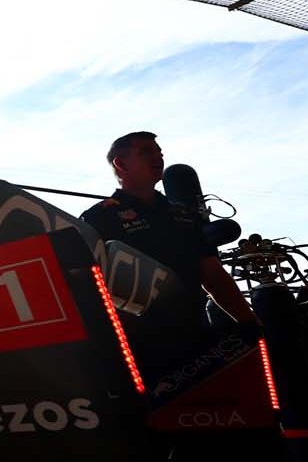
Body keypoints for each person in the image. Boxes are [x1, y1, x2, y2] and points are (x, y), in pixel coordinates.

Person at [80, 132, 256, 364]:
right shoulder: (100, 217)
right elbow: (90, 290)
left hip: (195, 333)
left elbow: (213, 274)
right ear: (120, 164)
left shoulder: (184, 214)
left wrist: (251, 324)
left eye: (159, 152)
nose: (158, 157)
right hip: (136, 347)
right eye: (146, 152)